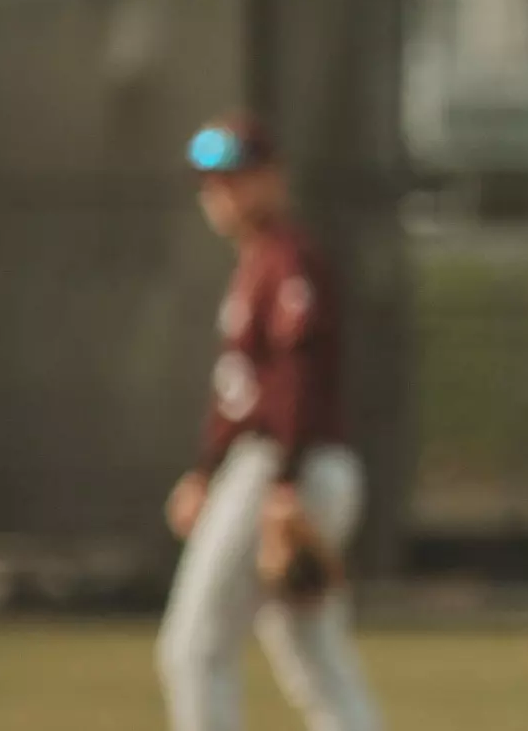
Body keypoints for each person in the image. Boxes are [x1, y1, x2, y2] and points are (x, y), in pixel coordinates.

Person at [158, 114, 380, 731]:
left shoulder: (289, 258)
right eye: (210, 182)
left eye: (235, 178)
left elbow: (299, 371)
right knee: (315, 659)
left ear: (272, 178)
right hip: (282, 466)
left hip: (283, 468)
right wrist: (205, 473)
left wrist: (283, 483)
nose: (220, 193)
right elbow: (241, 392)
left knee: (194, 648)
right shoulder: (261, 261)